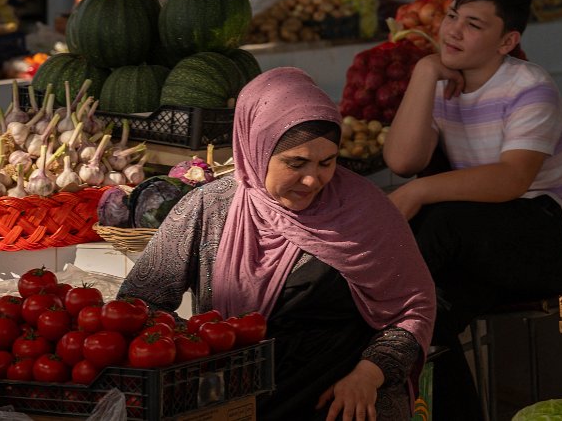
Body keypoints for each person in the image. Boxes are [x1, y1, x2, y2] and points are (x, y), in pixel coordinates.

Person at [118, 67, 436, 420]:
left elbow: (413, 311)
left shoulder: (367, 212)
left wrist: (368, 374)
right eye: (295, 163)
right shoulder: (210, 208)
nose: (313, 179)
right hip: (237, 402)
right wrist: (195, 346)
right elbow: (139, 302)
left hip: (342, 404)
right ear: (256, 148)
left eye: (327, 162)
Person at [383, 0, 562, 420]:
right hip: (485, 239)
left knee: (436, 219)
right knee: (427, 318)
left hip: (552, 238)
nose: (454, 31)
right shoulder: (442, 84)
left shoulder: (529, 86)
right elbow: (402, 161)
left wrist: (418, 194)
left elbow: (511, 179)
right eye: (453, 15)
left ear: (507, 41)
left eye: (474, 24)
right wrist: (424, 71)